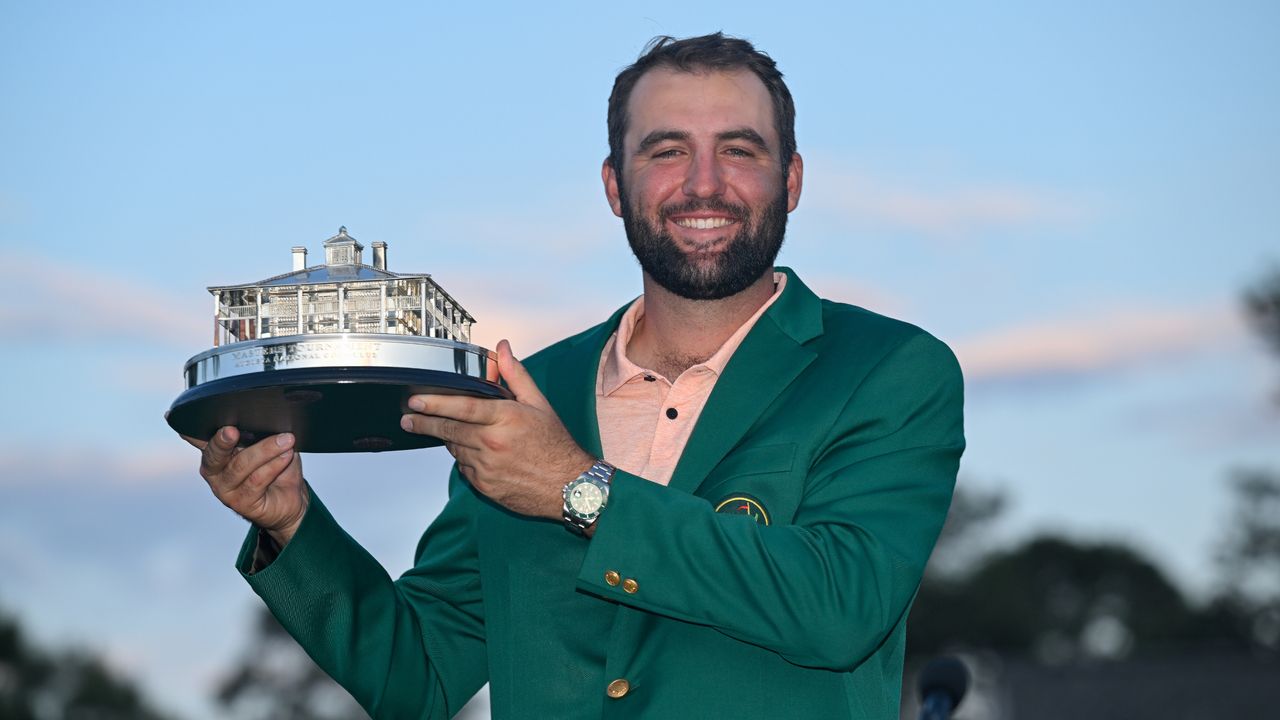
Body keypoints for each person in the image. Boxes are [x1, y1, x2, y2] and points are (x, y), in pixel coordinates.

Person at [189, 32, 965, 719]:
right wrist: (290, 523)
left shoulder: (887, 370)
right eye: (665, 151)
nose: (703, 183)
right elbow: (418, 675)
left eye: (739, 149)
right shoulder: (528, 394)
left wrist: (577, 489)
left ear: (790, 180)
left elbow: (840, 606)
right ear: (613, 185)